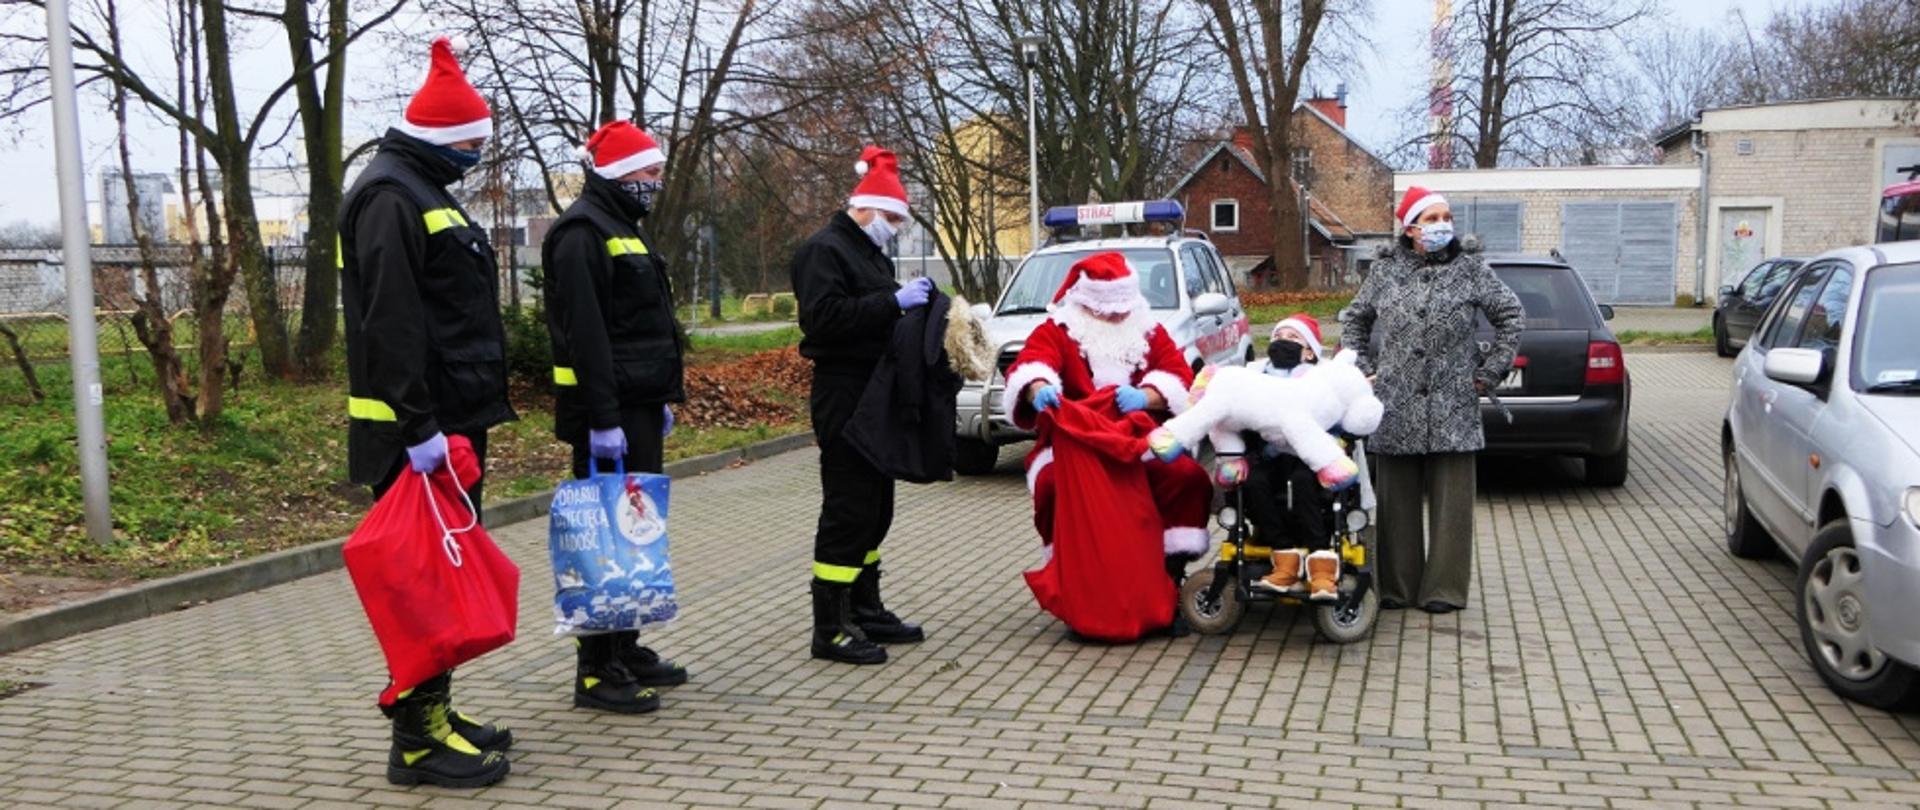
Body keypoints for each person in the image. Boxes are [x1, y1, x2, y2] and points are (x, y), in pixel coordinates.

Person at [339, 36, 514, 788]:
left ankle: (437, 710)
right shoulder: (390, 196)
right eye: (472, 141)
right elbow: (393, 320)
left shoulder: (422, 187)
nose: (477, 153)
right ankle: (416, 741)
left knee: (444, 581)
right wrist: (419, 429)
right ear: (442, 136)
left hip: (446, 424)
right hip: (416, 431)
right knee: (423, 585)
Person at [542, 119, 691, 715]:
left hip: (635, 408)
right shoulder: (581, 233)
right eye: (650, 173)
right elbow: (588, 337)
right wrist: (602, 418)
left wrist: (654, 400)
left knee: (634, 536)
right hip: (606, 418)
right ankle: (596, 670)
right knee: (602, 543)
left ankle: (625, 646)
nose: (656, 183)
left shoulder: (622, 227)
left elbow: (639, 329)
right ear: (620, 173)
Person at [1340, 186, 1523, 614]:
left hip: (1453, 403)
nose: (1443, 224)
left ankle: (1444, 588)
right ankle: (1396, 588)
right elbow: (1355, 320)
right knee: (1395, 504)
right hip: (1396, 401)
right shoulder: (1384, 273)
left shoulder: (1471, 269)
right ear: (1410, 228)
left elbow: (1511, 315)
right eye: (1433, 217)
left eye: (1447, 217)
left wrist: (1489, 372)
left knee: (1451, 508)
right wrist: (1359, 368)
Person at [791, 145, 930, 666]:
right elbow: (824, 320)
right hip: (843, 394)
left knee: (876, 509)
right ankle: (829, 626)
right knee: (848, 510)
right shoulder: (824, 251)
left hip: (875, 394)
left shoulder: (867, 252)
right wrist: (892, 302)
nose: (895, 227)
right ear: (866, 206)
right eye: (892, 217)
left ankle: (866, 607)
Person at [1004, 252, 1213, 596]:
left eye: (1123, 308)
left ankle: (1168, 572)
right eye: (1105, 309)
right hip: (1077, 442)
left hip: (1138, 436)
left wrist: (1146, 396)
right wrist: (1038, 388)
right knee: (1051, 486)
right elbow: (1031, 364)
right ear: (1083, 302)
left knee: (1185, 477)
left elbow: (1178, 375)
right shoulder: (1058, 330)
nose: (1116, 315)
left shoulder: (1149, 330)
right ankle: (1074, 578)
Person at [1242, 314, 1343, 600]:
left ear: (1309, 350)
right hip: (1271, 452)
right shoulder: (1255, 376)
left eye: (1292, 338)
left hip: (1310, 454)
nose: (1282, 342)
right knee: (1254, 482)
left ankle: (1321, 562)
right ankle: (1284, 554)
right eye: (1277, 336)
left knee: (1302, 480)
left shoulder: (1322, 378)